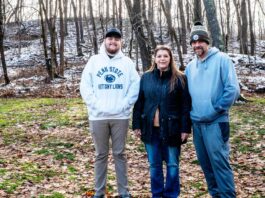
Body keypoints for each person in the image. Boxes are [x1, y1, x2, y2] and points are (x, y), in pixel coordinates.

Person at [80, 27, 140, 198]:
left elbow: (135, 86)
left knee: (120, 154)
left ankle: (124, 192)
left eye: (116, 39)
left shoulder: (127, 63)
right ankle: (99, 192)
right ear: (104, 41)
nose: (113, 42)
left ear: (120, 42)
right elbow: (85, 86)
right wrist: (95, 105)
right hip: (98, 117)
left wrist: (125, 105)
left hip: (120, 117)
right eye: (110, 39)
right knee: (100, 155)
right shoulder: (94, 61)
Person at [185, 21, 240, 198]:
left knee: (219, 164)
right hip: (197, 125)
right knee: (206, 165)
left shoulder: (222, 59)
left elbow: (233, 89)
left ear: (207, 42)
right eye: (193, 42)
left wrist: (216, 109)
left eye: (200, 41)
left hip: (216, 122)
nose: (196, 45)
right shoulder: (190, 67)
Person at [132, 45, 191, 198]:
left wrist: (185, 128)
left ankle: (171, 194)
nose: (162, 59)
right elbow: (139, 103)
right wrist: (136, 124)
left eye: (165, 56)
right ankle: (157, 194)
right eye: (159, 56)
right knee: (154, 165)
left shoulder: (180, 78)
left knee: (172, 164)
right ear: (155, 59)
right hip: (150, 130)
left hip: (172, 129)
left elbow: (185, 106)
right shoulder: (146, 77)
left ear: (170, 58)